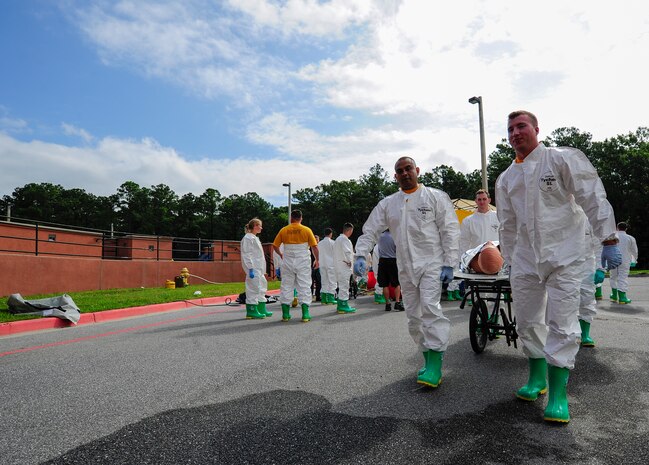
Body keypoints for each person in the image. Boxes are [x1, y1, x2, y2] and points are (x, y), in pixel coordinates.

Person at [495, 110, 622, 424]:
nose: (515, 132)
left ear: (536, 128)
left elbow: (591, 195)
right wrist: (509, 260)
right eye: (510, 128)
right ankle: (537, 379)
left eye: (521, 125)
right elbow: (507, 225)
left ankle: (558, 394)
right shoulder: (506, 178)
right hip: (525, 260)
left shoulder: (561, 159)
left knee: (562, 322)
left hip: (565, 255)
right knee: (526, 321)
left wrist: (608, 238)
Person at [354, 156, 460, 389]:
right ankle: (427, 357)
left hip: (432, 263)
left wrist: (450, 263)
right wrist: (361, 254)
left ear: (417, 170)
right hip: (405, 267)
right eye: (399, 170)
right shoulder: (389, 203)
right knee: (413, 317)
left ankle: (435, 365)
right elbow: (370, 230)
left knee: (431, 310)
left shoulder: (435, 197)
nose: (404, 173)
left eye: (408, 168)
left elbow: (450, 230)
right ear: (395, 176)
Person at [273, 210, 319, 322]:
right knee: (304, 285)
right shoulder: (307, 230)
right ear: (301, 218)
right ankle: (305, 314)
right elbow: (314, 247)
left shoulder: (284, 230)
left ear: (291, 218)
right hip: (302, 260)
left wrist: (280, 254)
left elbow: (275, 245)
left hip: (288, 259)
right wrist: (317, 260)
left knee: (286, 285)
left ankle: (285, 314)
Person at [241, 218, 271, 319]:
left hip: (259, 269)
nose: (261, 228)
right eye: (259, 226)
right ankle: (251, 311)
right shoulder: (248, 238)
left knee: (261, 287)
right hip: (253, 269)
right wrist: (250, 268)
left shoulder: (254, 238)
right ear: (254, 226)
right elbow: (247, 254)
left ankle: (261, 308)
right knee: (253, 288)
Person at [609, 222, 639, 304]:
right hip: (625, 260)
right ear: (626, 228)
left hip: (613, 260)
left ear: (617, 228)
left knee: (613, 277)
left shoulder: (611, 237)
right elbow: (634, 251)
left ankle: (614, 295)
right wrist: (635, 259)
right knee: (622, 278)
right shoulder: (630, 238)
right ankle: (622, 297)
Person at [377, 230, 403, 312]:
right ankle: (397, 302)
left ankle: (387, 304)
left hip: (382, 261)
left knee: (385, 284)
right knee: (397, 283)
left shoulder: (380, 236)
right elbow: (398, 249)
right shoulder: (394, 236)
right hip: (392, 260)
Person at [334, 223, 357, 313]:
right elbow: (348, 252)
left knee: (341, 285)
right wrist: (351, 262)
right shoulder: (345, 239)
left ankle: (340, 304)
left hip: (338, 265)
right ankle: (343, 305)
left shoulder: (337, 239)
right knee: (344, 286)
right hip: (344, 266)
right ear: (350, 230)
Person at [318, 228, 337, 305]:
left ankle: (323, 298)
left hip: (322, 264)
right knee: (332, 281)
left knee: (324, 281)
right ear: (331, 234)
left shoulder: (319, 243)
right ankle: (330, 298)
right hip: (331, 264)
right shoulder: (333, 243)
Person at [311, 235, 322, 302]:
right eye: (314, 239)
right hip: (311, 266)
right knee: (311, 282)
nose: (316, 240)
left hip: (319, 266)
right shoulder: (311, 247)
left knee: (319, 282)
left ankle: (318, 296)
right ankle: (310, 295)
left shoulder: (320, 247)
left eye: (317, 239)